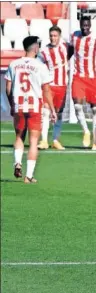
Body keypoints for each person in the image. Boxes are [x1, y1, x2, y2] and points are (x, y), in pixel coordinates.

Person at [5, 36, 57, 183]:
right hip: (34, 107)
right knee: (33, 141)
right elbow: (46, 90)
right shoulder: (40, 66)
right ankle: (28, 176)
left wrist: (12, 105)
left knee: (19, 137)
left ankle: (17, 162)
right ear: (35, 48)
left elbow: (8, 88)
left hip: (19, 105)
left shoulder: (13, 64)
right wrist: (52, 110)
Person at [71, 16, 96, 150]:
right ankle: (86, 131)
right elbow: (70, 49)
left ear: (90, 25)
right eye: (83, 25)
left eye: (87, 25)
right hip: (79, 77)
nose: (85, 28)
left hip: (93, 78)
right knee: (77, 107)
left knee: (95, 109)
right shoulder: (74, 36)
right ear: (80, 25)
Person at [37, 25, 72, 150]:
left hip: (62, 85)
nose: (53, 38)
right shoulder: (44, 52)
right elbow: (38, 67)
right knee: (46, 112)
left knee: (58, 113)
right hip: (50, 85)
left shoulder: (66, 47)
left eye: (55, 35)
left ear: (59, 36)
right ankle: (44, 140)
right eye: (51, 35)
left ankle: (56, 140)